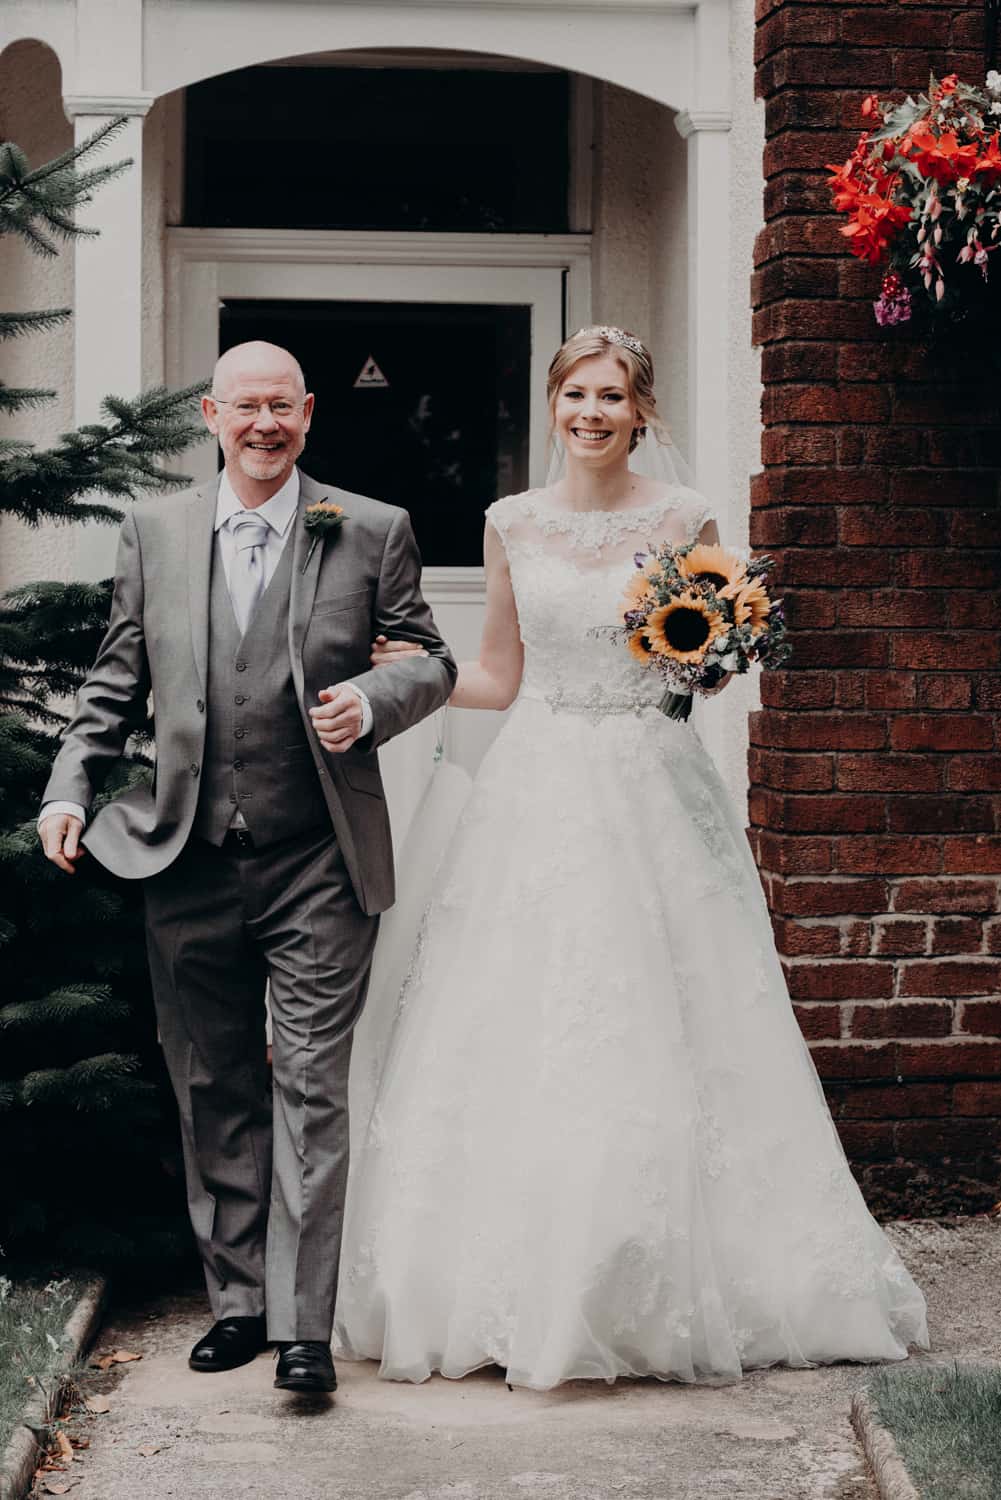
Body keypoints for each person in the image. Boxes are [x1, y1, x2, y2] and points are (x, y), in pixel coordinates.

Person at [333, 326, 928, 1390]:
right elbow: (500, 677)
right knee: (526, 1013)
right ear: (552, 403)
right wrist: (413, 676)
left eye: (611, 396)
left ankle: (686, 1270)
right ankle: (515, 1275)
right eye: (575, 395)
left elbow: (704, 668)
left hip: (649, 780)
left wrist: (710, 654)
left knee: (675, 1006)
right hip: (538, 786)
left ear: (640, 410)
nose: (591, 414)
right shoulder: (510, 520)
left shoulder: (682, 519)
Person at [38, 341, 456, 1395]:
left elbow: (430, 658)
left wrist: (376, 701)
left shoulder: (369, 528)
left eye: (281, 406)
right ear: (212, 417)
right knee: (211, 1082)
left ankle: (305, 1331)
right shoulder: (155, 531)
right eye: (245, 407)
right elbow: (114, 684)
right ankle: (238, 1305)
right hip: (186, 859)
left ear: (308, 413)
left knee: (311, 1088)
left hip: (320, 857)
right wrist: (68, 789)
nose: (264, 424)